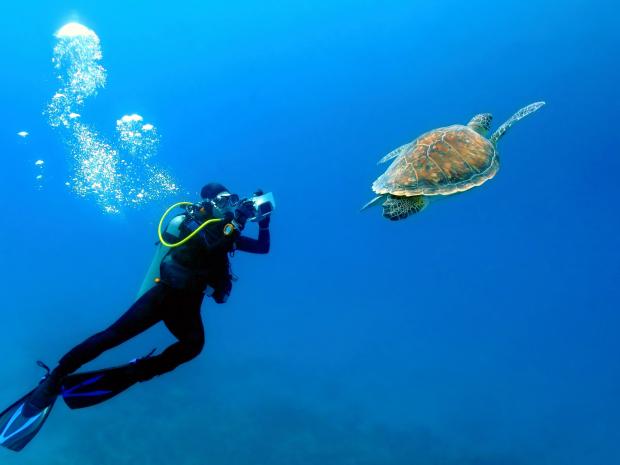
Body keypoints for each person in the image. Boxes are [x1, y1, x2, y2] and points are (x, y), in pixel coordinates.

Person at [25, 182, 271, 415]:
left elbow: (262, 248)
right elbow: (212, 247)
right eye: (224, 199)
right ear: (208, 202)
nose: (229, 204)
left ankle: (137, 371)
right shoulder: (191, 223)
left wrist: (264, 222)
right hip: (163, 297)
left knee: (193, 345)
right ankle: (55, 377)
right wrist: (236, 221)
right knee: (112, 336)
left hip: (187, 307)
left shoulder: (226, 230)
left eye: (233, 199)